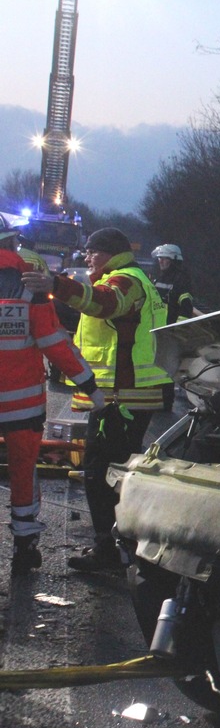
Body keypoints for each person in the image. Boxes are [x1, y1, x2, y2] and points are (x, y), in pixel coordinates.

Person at [21, 227, 173, 572]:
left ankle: (112, 549)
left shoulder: (125, 280)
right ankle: (123, 546)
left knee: (101, 472)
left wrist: (56, 285)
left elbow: (105, 303)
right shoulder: (134, 278)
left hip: (122, 397)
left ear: (108, 253)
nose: (86, 257)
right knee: (115, 472)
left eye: (91, 251)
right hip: (125, 396)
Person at [0, 218, 103, 575]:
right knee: (23, 471)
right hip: (22, 405)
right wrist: (89, 384)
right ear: (13, 243)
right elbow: (54, 344)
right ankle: (25, 545)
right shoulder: (31, 287)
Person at [150, 243, 195, 324]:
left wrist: (178, 329)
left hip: (168, 329)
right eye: (159, 258)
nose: (161, 261)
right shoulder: (159, 279)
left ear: (174, 260)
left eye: (165, 258)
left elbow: (186, 308)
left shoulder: (181, 280)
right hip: (157, 327)